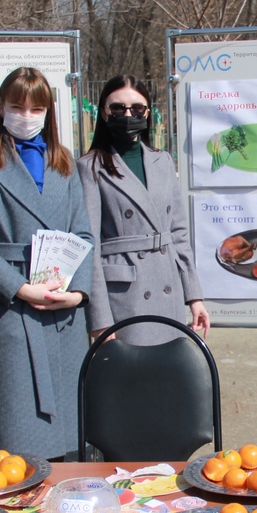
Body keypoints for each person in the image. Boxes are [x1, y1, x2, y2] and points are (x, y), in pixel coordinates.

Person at [0, 67, 94, 461]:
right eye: (17, 106)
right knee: (16, 434)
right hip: (11, 304)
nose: (26, 115)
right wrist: (17, 287)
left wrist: (78, 293)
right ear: (1, 107)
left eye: (36, 108)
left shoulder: (63, 160)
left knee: (71, 435)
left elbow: (83, 234)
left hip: (62, 306)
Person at [78, 75, 209, 346]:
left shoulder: (162, 161)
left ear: (148, 113)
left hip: (166, 286)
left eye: (137, 108)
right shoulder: (89, 166)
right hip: (125, 295)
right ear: (103, 112)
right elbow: (88, 246)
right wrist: (99, 319)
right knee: (130, 381)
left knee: (167, 377)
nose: (128, 114)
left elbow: (179, 233)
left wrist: (194, 297)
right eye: (118, 108)